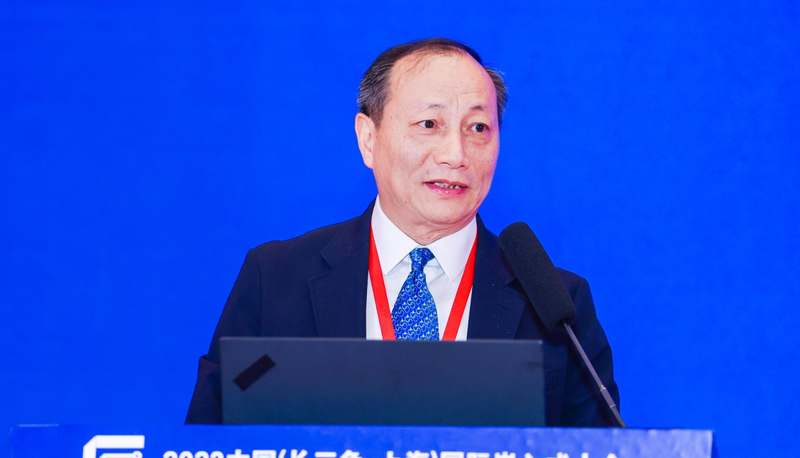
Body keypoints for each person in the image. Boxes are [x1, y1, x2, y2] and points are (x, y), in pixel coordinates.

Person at [186, 38, 620, 426]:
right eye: (429, 124)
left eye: (478, 128)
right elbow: (210, 441)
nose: (456, 155)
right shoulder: (276, 280)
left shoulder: (556, 306)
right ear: (368, 139)